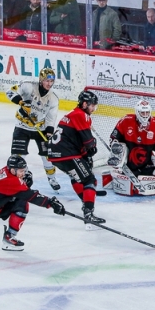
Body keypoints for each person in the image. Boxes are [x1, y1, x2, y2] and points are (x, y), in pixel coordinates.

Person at [47, 90, 106, 227]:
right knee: (89, 180)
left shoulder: (72, 113)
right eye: (92, 105)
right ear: (84, 104)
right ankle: (88, 213)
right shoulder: (81, 115)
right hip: (67, 153)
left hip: (55, 154)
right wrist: (91, 149)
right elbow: (88, 143)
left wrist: (86, 153)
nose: (93, 109)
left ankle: (86, 201)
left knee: (76, 177)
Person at [105, 100, 155, 196]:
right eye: (142, 112)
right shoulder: (125, 120)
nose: (145, 115)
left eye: (147, 112)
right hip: (129, 164)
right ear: (137, 112)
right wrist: (117, 151)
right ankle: (124, 167)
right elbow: (114, 138)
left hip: (149, 165)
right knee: (119, 147)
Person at [6, 67, 61, 191]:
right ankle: (18, 180)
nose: (49, 84)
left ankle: (52, 178)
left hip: (40, 128)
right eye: (47, 80)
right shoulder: (28, 86)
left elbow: (51, 118)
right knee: (18, 157)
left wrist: (49, 132)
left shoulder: (53, 98)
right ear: (41, 80)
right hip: (22, 126)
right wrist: (21, 102)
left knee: (47, 156)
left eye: (51, 81)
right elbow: (9, 92)